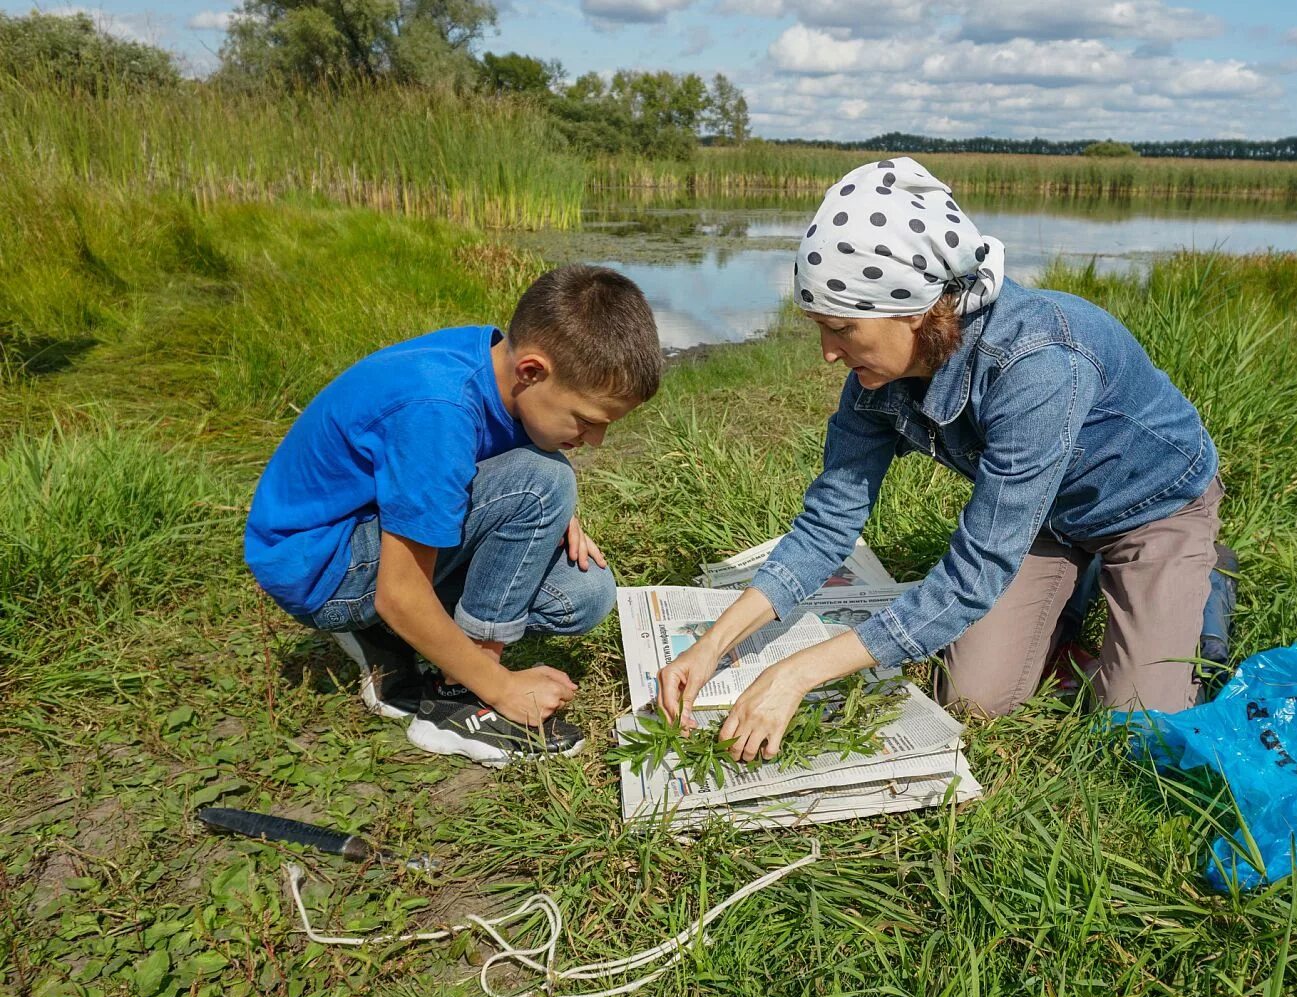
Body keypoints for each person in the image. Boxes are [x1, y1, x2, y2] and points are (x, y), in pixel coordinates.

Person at [657, 158, 1224, 763]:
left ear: (917, 311)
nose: (827, 353)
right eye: (820, 328)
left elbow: (975, 572)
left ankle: (1202, 585)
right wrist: (713, 645)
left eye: (843, 328)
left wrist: (799, 673)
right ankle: (1079, 587)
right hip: (1045, 524)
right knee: (975, 699)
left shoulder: (1037, 364)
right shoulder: (876, 379)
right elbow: (827, 527)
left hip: (1151, 512)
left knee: (1139, 730)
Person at [245, 264, 660, 767]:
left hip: (368, 532)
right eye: (588, 421)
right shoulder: (436, 409)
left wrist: (547, 515)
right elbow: (399, 593)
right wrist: (502, 686)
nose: (595, 441)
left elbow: (480, 457)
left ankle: (385, 638)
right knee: (545, 481)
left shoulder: (492, 359)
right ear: (531, 371)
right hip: (322, 565)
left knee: (584, 593)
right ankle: (457, 704)